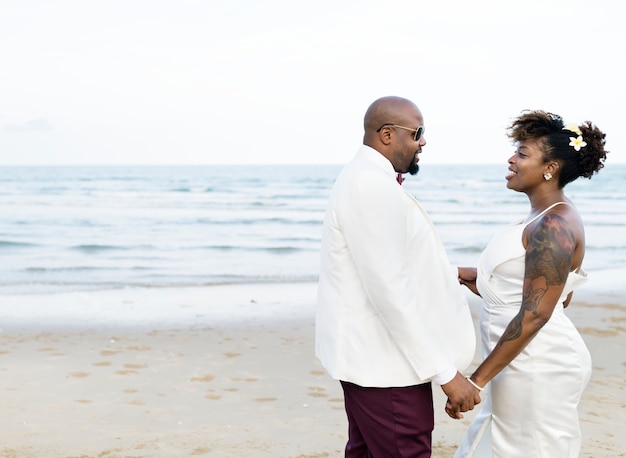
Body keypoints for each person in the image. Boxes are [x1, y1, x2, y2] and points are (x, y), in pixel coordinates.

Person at [315, 95, 480, 457]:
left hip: (375, 364)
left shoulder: (367, 178)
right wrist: (446, 373)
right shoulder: (370, 185)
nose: (423, 142)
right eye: (417, 133)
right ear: (386, 134)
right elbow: (389, 290)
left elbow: (387, 264)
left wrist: (453, 274)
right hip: (386, 369)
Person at [454, 110, 608, 457]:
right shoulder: (542, 215)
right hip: (518, 362)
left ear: (549, 168)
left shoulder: (555, 225)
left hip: (540, 365)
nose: (511, 158)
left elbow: (538, 312)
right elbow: (524, 286)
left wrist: (476, 379)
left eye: (523, 153)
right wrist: (461, 275)